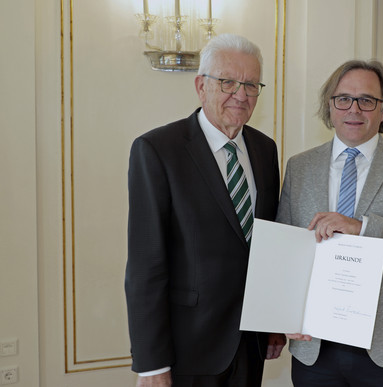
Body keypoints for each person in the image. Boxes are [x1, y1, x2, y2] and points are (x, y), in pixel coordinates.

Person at [276, 59, 383, 386]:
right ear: (329, 107)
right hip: (314, 347)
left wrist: (364, 228)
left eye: (366, 100)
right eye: (343, 99)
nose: (354, 109)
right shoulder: (299, 167)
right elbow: (285, 251)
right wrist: (281, 315)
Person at [125, 33, 286, 387]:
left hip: (250, 341)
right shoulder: (157, 150)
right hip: (188, 347)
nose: (240, 94)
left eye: (250, 85)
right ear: (201, 85)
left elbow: (268, 246)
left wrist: (275, 321)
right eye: (227, 82)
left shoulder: (265, 149)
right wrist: (151, 364)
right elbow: (145, 266)